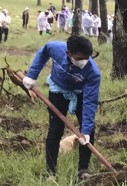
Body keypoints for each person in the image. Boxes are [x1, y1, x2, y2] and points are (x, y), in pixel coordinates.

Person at [22, 35, 101, 178]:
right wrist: (32, 75)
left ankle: (83, 170)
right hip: (58, 89)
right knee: (55, 129)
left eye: (87, 58)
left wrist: (87, 130)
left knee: (88, 131)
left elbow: (90, 101)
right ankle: (50, 171)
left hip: (80, 93)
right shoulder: (56, 48)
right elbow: (43, 52)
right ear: (68, 53)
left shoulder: (93, 72)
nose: (84, 62)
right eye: (79, 58)